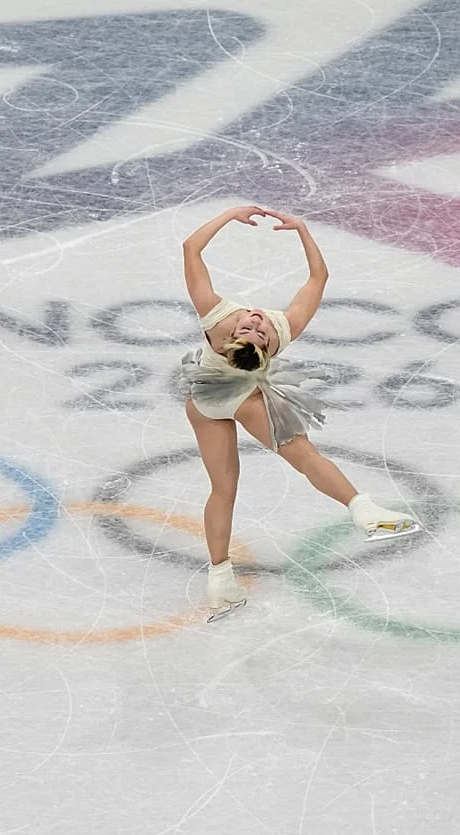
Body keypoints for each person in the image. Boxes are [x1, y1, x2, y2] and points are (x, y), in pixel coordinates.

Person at [179, 205, 420, 621]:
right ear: (269, 348)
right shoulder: (284, 327)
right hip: (239, 395)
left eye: (253, 328)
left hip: (205, 400)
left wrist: (229, 215)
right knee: (304, 456)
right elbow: (317, 278)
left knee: (223, 489)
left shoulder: (218, 319)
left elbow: (190, 248)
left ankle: (220, 579)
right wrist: (303, 230)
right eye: (256, 329)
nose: (256, 320)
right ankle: (363, 509)